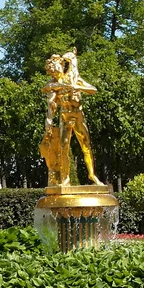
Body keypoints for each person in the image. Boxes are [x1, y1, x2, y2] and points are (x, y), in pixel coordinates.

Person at [41, 49, 103, 186]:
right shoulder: (53, 85)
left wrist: (77, 87)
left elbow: (93, 89)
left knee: (86, 146)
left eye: (54, 67)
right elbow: (50, 102)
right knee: (64, 148)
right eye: (51, 70)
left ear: (61, 65)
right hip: (64, 116)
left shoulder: (73, 77)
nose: (53, 71)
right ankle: (66, 178)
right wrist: (49, 122)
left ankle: (92, 175)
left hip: (78, 114)